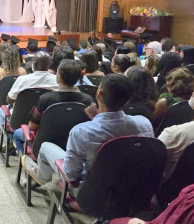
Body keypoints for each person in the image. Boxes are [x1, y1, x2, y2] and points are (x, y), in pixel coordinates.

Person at [21, 74, 153, 188]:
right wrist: (97, 117)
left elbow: (71, 176)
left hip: (91, 193)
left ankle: (40, 176)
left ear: (99, 94)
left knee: (45, 146)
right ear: (128, 99)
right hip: (133, 190)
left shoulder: (81, 132)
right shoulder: (144, 123)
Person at [12, 59, 93, 154]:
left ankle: (26, 161)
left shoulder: (45, 99)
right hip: (76, 147)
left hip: (44, 145)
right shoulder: (88, 100)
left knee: (17, 133)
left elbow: (32, 127)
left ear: (59, 77)